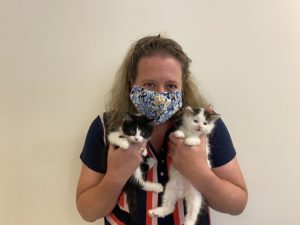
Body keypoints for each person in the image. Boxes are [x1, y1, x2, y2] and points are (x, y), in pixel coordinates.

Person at [76, 35, 248, 225]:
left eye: (171, 86)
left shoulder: (204, 126)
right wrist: (116, 175)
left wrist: (200, 173)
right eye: (149, 84)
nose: (160, 95)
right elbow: (87, 212)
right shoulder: (104, 127)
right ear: (131, 83)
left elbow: (237, 204)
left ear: (183, 88)